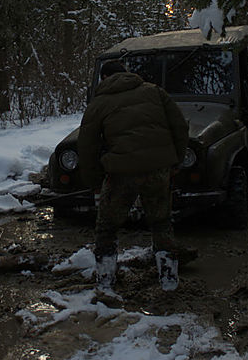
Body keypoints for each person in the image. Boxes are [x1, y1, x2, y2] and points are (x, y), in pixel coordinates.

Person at [78, 60, 189, 293]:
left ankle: (106, 282)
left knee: (107, 227)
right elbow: (180, 126)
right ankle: (169, 281)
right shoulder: (155, 91)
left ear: (105, 78)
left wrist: (95, 183)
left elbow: (87, 147)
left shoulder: (99, 103)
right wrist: (174, 161)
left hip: (120, 174)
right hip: (158, 170)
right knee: (161, 223)